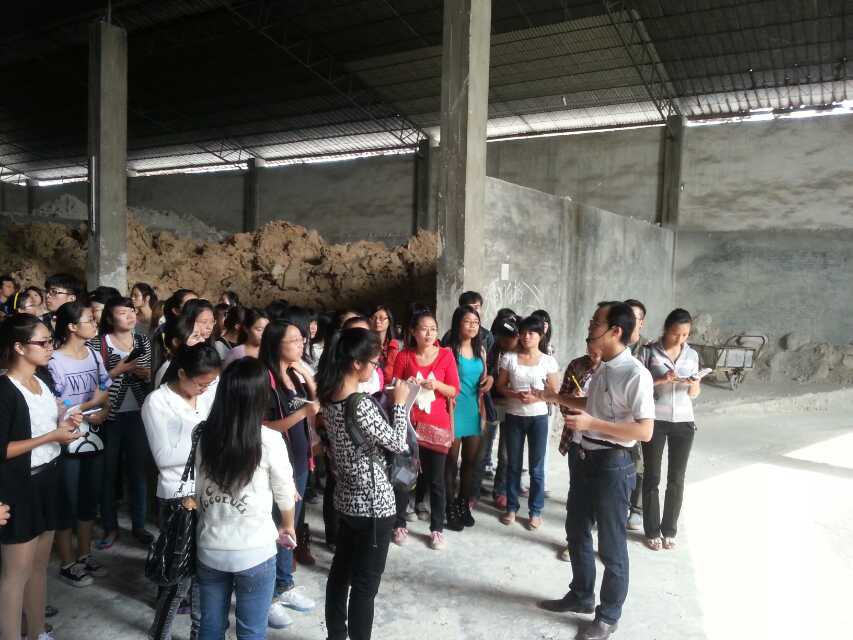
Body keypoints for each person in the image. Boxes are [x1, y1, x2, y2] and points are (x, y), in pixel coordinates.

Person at [538, 302, 655, 640]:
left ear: (615, 331)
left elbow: (645, 430)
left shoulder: (635, 374)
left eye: (595, 322)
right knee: (576, 531)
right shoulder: (603, 366)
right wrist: (554, 397)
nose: (589, 326)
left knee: (611, 545)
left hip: (613, 465)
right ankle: (581, 595)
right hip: (585, 459)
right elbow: (592, 405)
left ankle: (608, 616)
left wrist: (592, 424)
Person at [192, 357, 297, 640]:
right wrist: (288, 525)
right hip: (255, 550)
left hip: (210, 547)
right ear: (261, 397)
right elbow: (285, 491)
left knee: (210, 626)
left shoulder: (203, 435)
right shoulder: (268, 439)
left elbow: (199, 489)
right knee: (251, 631)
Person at [316, 327, 409, 640]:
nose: (375, 367)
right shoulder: (360, 404)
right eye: (373, 362)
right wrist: (399, 403)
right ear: (356, 363)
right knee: (365, 587)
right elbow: (397, 443)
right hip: (374, 504)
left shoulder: (329, 397)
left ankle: (335, 635)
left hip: (346, 499)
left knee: (340, 574)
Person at [0, 314, 83, 640]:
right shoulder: (5, 390)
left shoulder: (41, 381)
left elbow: (45, 425)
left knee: (38, 566)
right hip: (19, 487)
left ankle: (36, 632)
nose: (50, 347)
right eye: (43, 342)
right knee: (15, 575)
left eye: (51, 341)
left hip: (48, 478)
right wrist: (51, 437)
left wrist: (64, 424)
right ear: (19, 347)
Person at [143, 343, 221, 640]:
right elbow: (163, 457)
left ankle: (200, 633)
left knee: (206, 572)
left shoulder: (209, 393)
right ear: (182, 373)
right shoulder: (157, 402)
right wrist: (207, 439)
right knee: (177, 576)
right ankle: (160, 632)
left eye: (210, 383)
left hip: (208, 489)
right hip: (178, 494)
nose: (204, 389)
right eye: (200, 383)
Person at [258, 321, 319, 628]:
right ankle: (267, 597)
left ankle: (284, 583)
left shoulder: (294, 373)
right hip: (274, 463)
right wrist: (303, 413)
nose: (300, 344)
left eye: (301, 339)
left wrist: (306, 374)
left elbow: (317, 403)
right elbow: (263, 427)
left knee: (289, 525)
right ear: (275, 345)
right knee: (273, 528)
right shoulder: (264, 378)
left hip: (298, 459)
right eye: (293, 340)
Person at [48, 301, 112, 588]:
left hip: (93, 436)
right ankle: (67, 562)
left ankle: (84, 555)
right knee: (66, 500)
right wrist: (89, 406)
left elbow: (105, 389)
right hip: (67, 439)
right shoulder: (54, 360)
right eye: (89, 320)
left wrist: (104, 410)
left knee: (89, 497)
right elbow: (57, 405)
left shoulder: (94, 355)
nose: (95, 324)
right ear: (72, 326)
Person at [391, 308, 459, 550]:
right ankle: (399, 524)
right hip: (408, 424)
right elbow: (394, 386)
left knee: (436, 480)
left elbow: (454, 390)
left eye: (433, 329)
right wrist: (406, 384)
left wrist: (437, 384)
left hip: (437, 425)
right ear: (413, 332)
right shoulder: (404, 356)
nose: (429, 334)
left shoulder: (446, 356)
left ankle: (437, 528)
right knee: (404, 476)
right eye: (423, 329)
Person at [89, 297, 154, 548]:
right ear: (109, 318)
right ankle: (110, 526)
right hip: (109, 416)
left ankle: (139, 526)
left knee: (138, 472)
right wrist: (121, 369)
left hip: (138, 413)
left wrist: (141, 372)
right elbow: (94, 382)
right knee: (109, 473)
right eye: (122, 313)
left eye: (132, 311)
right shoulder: (98, 343)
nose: (130, 316)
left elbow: (147, 374)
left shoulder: (143, 341)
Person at [638, 308, 701, 551]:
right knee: (652, 475)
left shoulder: (692, 355)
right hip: (655, 419)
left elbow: (694, 394)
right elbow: (639, 386)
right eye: (676, 333)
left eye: (685, 335)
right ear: (666, 329)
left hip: (684, 421)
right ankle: (652, 530)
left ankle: (669, 530)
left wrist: (694, 383)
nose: (680, 339)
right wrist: (662, 380)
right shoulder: (649, 351)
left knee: (677, 477)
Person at [495, 314, 560, 529]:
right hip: (514, 416)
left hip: (538, 418)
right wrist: (514, 394)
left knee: (537, 468)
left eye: (531, 333)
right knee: (513, 465)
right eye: (523, 333)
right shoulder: (509, 358)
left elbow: (554, 392)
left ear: (540, 335)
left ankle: (536, 511)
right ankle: (511, 508)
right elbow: (500, 386)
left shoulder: (548, 361)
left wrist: (537, 397)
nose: (526, 337)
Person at [444, 305, 492, 530]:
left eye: (476, 322)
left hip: (474, 409)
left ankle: (463, 504)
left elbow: (483, 379)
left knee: (471, 462)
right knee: (451, 463)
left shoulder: (480, 350)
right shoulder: (448, 351)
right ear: (458, 324)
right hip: (453, 411)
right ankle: (450, 507)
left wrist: (489, 380)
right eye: (467, 322)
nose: (473, 326)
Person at [555, 346, 603, 562]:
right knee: (577, 494)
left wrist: (588, 405)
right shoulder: (577, 365)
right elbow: (562, 400)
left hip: (603, 445)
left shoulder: (615, 371)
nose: (593, 355)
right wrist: (572, 400)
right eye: (590, 349)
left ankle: (602, 543)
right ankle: (574, 543)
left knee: (600, 497)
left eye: (598, 351)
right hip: (576, 441)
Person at [624, 298, 650, 532]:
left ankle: (637, 509)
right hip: (618, 415)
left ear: (641, 322)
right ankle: (620, 505)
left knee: (639, 463)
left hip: (641, 416)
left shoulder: (648, 349)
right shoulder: (613, 345)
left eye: (635, 317)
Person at [368, 305, 400, 381]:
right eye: (374, 318)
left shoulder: (397, 346)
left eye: (381, 318)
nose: (377, 321)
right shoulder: (366, 344)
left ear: (389, 321)